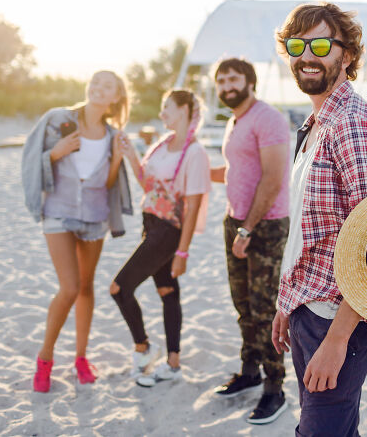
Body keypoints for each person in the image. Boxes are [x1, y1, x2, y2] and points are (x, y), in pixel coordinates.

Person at [271, 2, 367, 435]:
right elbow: (311, 231)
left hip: (339, 317)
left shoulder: (352, 125)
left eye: (321, 44)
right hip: (310, 306)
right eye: (297, 45)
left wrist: (338, 338)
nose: (307, 55)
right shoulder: (316, 123)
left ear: (346, 55)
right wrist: (289, 300)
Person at [21, 70, 132, 392]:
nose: (99, 88)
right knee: (68, 287)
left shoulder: (112, 134)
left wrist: (116, 160)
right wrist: (55, 153)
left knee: (85, 288)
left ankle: (81, 358)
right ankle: (45, 359)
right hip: (58, 212)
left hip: (95, 217)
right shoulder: (58, 119)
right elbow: (30, 159)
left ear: (116, 97)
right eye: (96, 82)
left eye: (108, 86)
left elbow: (108, 185)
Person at [209, 58, 291, 424]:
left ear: (249, 81)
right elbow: (235, 171)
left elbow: (273, 179)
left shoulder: (267, 117)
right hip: (235, 221)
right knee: (242, 304)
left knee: (265, 311)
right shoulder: (234, 121)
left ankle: (275, 388)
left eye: (233, 77)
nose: (226, 84)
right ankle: (249, 372)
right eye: (221, 79)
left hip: (266, 226)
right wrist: (191, 171)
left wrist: (247, 229)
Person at [110, 90, 211, 387]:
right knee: (168, 292)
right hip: (150, 224)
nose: (162, 112)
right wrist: (131, 156)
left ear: (183, 110)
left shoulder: (194, 152)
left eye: (167, 106)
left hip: (169, 231)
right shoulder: (162, 146)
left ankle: (143, 347)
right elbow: (148, 186)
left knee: (119, 288)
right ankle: (173, 363)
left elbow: (191, 207)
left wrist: (182, 253)